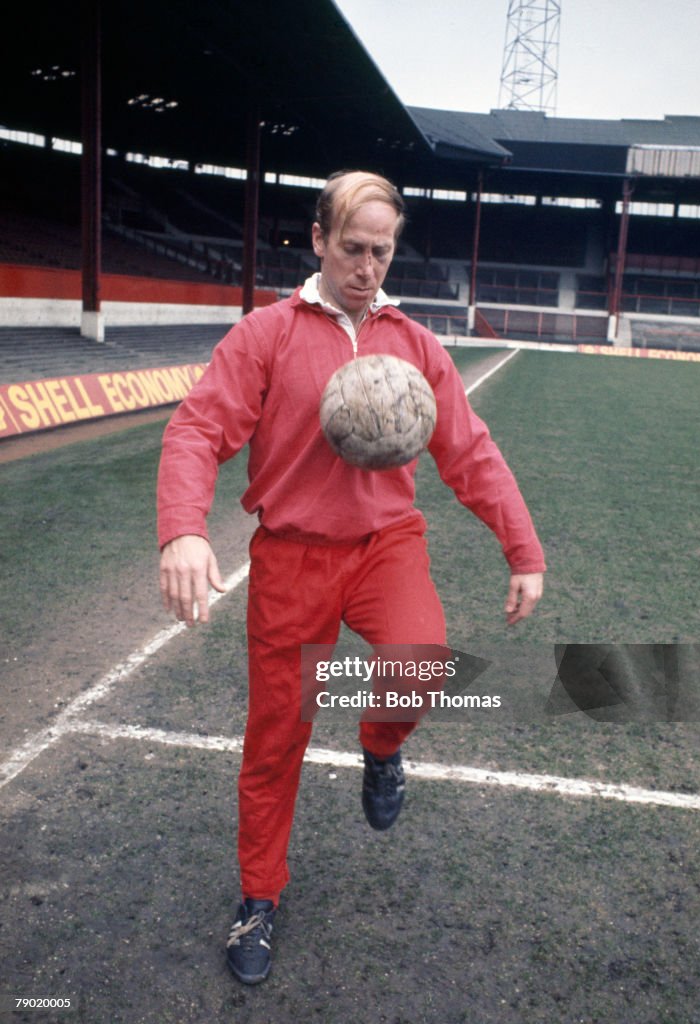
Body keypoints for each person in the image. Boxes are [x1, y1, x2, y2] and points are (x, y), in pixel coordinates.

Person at [156, 170, 546, 985]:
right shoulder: (265, 335)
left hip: (384, 543)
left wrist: (523, 550)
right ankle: (258, 900)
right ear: (319, 242)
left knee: (419, 660)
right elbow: (196, 431)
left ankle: (379, 747)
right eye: (354, 249)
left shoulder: (412, 342)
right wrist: (184, 532)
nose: (368, 267)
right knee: (275, 742)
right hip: (292, 557)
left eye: (383, 251)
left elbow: (468, 451)